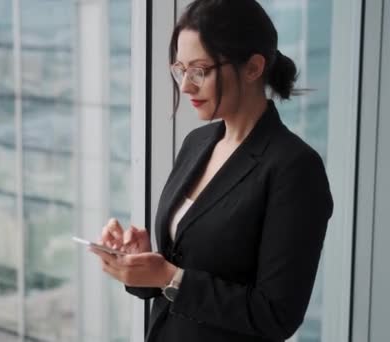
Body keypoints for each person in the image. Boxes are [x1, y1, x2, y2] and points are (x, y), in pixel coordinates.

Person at [89, 1, 334, 341]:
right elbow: (190, 267)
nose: (186, 86)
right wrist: (144, 264)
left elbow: (277, 315)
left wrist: (170, 277)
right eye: (180, 69)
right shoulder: (197, 143)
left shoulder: (294, 168)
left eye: (200, 70)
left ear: (253, 68)